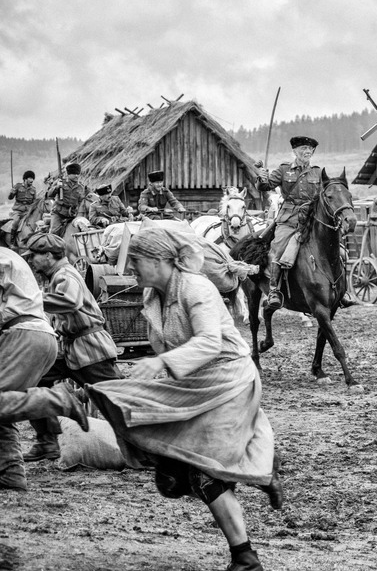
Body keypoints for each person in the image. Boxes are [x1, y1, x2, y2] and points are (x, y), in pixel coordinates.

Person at [86, 227, 281, 571]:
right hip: (192, 383)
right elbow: (168, 345)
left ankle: (246, 558)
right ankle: (259, 470)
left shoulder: (196, 287)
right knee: (171, 480)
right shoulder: (152, 296)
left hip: (229, 381)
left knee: (204, 475)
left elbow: (209, 343)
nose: (129, 267)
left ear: (159, 260)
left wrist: (162, 363)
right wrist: (156, 373)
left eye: (135, 260)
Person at [21, 233, 122, 462]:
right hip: (69, 348)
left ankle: (147, 446)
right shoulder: (57, 275)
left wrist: (32, 299)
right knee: (34, 382)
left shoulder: (65, 274)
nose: (31, 261)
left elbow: (70, 301)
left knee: (117, 397)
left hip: (89, 348)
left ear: (48, 255)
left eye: (34, 256)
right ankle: (47, 442)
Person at [0, 245, 59, 491]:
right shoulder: (8, 255)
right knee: (4, 404)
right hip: (37, 335)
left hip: (24, 334)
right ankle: (10, 474)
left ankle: (56, 401)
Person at [255, 136, 324, 310]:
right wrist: (261, 178)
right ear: (294, 151)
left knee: (334, 247)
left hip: (312, 219)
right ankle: (274, 291)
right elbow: (265, 186)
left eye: (310, 149)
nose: (307, 152)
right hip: (289, 219)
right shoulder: (284, 170)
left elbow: (325, 195)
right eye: (303, 149)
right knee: (278, 249)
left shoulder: (318, 172)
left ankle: (339, 289)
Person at [50, 162, 90, 237]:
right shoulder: (61, 183)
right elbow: (50, 195)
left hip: (72, 214)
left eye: (78, 174)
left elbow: (81, 201)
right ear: (69, 174)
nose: (76, 176)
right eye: (74, 174)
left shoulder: (81, 187)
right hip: (59, 213)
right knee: (54, 232)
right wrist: (57, 188)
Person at [5, 170, 36, 246]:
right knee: (16, 221)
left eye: (33, 178)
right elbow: (10, 198)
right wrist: (11, 193)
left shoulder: (33, 189)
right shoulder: (18, 186)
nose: (32, 180)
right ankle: (12, 239)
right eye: (30, 178)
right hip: (18, 210)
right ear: (25, 179)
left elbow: (34, 201)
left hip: (28, 211)